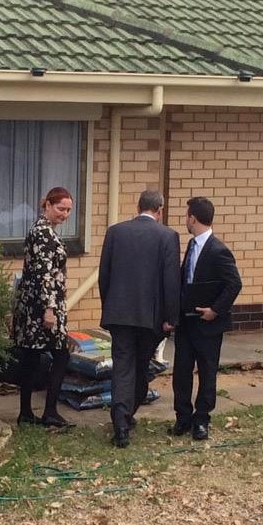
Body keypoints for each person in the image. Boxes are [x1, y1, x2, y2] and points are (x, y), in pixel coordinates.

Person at [99, 190, 180, 448]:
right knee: (141, 365)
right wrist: (170, 317)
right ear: (160, 209)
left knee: (123, 366)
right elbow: (171, 280)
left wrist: (110, 306)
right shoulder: (168, 236)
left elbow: (104, 275)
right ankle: (126, 415)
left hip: (119, 313)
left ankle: (121, 423)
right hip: (151, 317)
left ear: (138, 207)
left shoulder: (115, 232)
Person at [171, 197, 242, 440]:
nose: (185, 220)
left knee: (207, 371)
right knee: (181, 370)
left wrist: (216, 310)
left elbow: (234, 284)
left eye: (186, 216)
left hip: (208, 323)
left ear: (193, 218)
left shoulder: (218, 250)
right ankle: (182, 417)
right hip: (186, 320)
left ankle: (202, 419)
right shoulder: (191, 246)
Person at [12, 187, 74, 428]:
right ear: (47, 205)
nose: (65, 214)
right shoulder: (44, 234)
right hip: (43, 306)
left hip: (32, 305)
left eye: (68, 210)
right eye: (60, 209)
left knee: (31, 356)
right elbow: (45, 274)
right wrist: (49, 310)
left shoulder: (41, 230)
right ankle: (49, 411)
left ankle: (27, 413)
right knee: (60, 354)